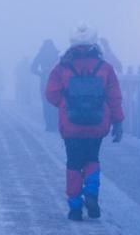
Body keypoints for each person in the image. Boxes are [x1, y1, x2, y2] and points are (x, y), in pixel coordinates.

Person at [45, 25, 124, 221]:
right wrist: (118, 121)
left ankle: (75, 207)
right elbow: (114, 96)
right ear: (94, 43)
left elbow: (51, 93)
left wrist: (65, 104)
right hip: (97, 123)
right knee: (92, 159)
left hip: (71, 124)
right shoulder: (104, 68)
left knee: (73, 162)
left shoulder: (62, 67)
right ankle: (91, 192)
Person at [31, 39, 61, 132]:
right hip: (56, 80)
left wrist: (41, 73)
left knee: (46, 102)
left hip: (44, 80)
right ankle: (56, 124)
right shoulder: (56, 54)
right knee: (56, 102)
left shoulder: (41, 54)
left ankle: (49, 125)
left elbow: (32, 68)